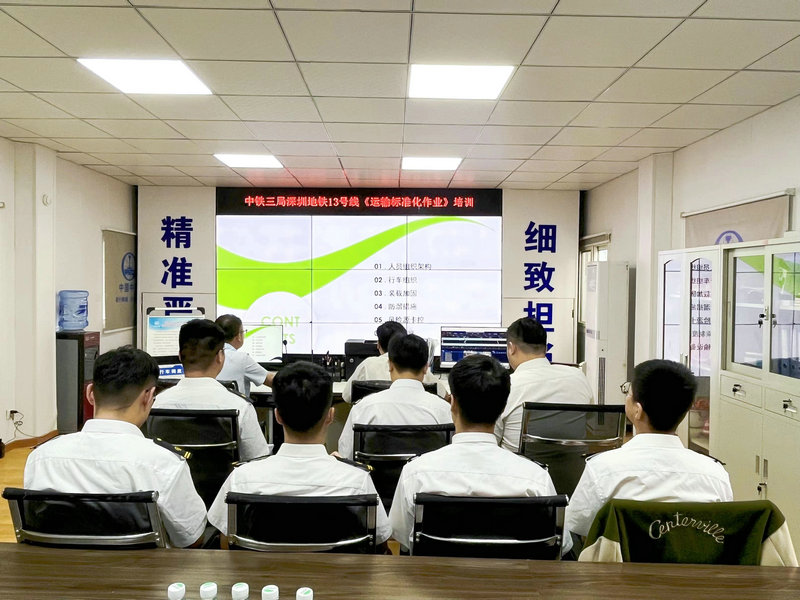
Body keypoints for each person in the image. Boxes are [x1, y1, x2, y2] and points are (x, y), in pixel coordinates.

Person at [24, 347, 207, 548]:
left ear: (90, 393)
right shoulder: (164, 463)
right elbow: (192, 539)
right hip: (141, 568)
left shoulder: (41, 458)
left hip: (57, 567)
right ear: (148, 396)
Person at [207, 361, 391, 546]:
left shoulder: (241, 479)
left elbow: (226, 543)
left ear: (278, 416)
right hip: (334, 566)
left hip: (261, 566)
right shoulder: (357, 481)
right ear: (330, 415)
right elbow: (379, 543)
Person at [389, 354, 558, 551]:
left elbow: (402, 537)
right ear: (503, 408)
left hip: (435, 571)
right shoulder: (536, 479)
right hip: (512, 571)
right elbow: (556, 545)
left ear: (452, 403)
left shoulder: (416, 474)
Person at [564, 359, 733, 538]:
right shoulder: (715, 475)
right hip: (693, 557)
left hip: (621, 557)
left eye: (628, 393)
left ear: (638, 410)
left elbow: (578, 526)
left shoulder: (603, 469)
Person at [153, 319, 269, 461]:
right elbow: (258, 459)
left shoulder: (156, 404)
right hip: (226, 476)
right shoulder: (240, 406)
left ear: (180, 356)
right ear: (220, 357)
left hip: (170, 475)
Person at [337, 333, 452, 459]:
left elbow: (346, 454)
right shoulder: (444, 410)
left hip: (375, 472)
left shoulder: (363, 408)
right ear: (426, 368)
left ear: (390, 365)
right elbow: (453, 454)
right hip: (427, 471)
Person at [495, 318, 594, 452]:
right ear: (545, 348)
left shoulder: (506, 386)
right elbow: (590, 421)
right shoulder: (578, 376)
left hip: (518, 464)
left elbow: (490, 441)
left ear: (511, 348)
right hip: (574, 464)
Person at [214, 314, 275, 399]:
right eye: (243, 332)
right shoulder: (242, 359)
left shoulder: (205, 356)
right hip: (237, 406)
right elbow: (272, 380)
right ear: (238, 336)